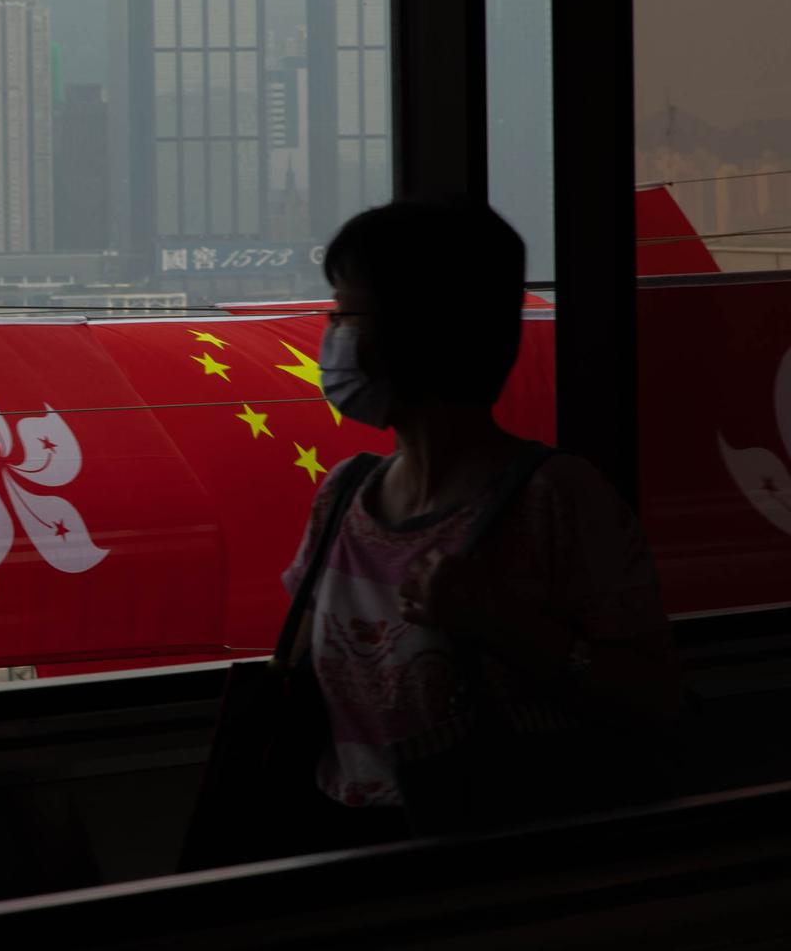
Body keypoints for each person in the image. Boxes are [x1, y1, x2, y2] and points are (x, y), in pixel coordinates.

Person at [279, 198, 680, 849]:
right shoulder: (342, 494)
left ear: (417, 328)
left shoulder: (558, 498)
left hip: (493, 860)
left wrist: (504, 624)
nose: (330, 338)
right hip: (344, 848)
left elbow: (654, 694)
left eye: (345, 315)